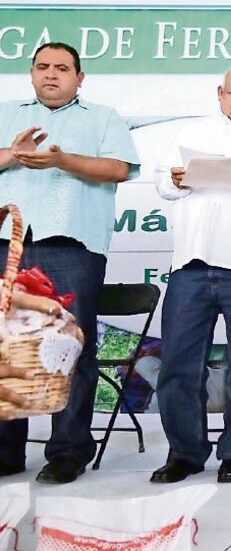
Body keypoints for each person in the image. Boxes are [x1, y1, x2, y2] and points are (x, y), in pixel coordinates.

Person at [0, 42, 139, 483]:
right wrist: (12, 155)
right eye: (43, 66)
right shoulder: (6, 113)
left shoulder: (103, 118)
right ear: (31, 73)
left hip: (73, 246)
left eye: (62, 68)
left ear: (80, 78)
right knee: (6, 347)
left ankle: (68, 450)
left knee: (72, 346)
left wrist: (60, 160)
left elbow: (119, 169)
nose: (51, 74)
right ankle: (6, 451)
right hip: (9, 243)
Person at [150, 64, 231, 485]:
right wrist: (175, 181)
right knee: (179, 363)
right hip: (191, 262)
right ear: (220, 94)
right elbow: (162, 183)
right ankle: (185, 453)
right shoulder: (193, 133)